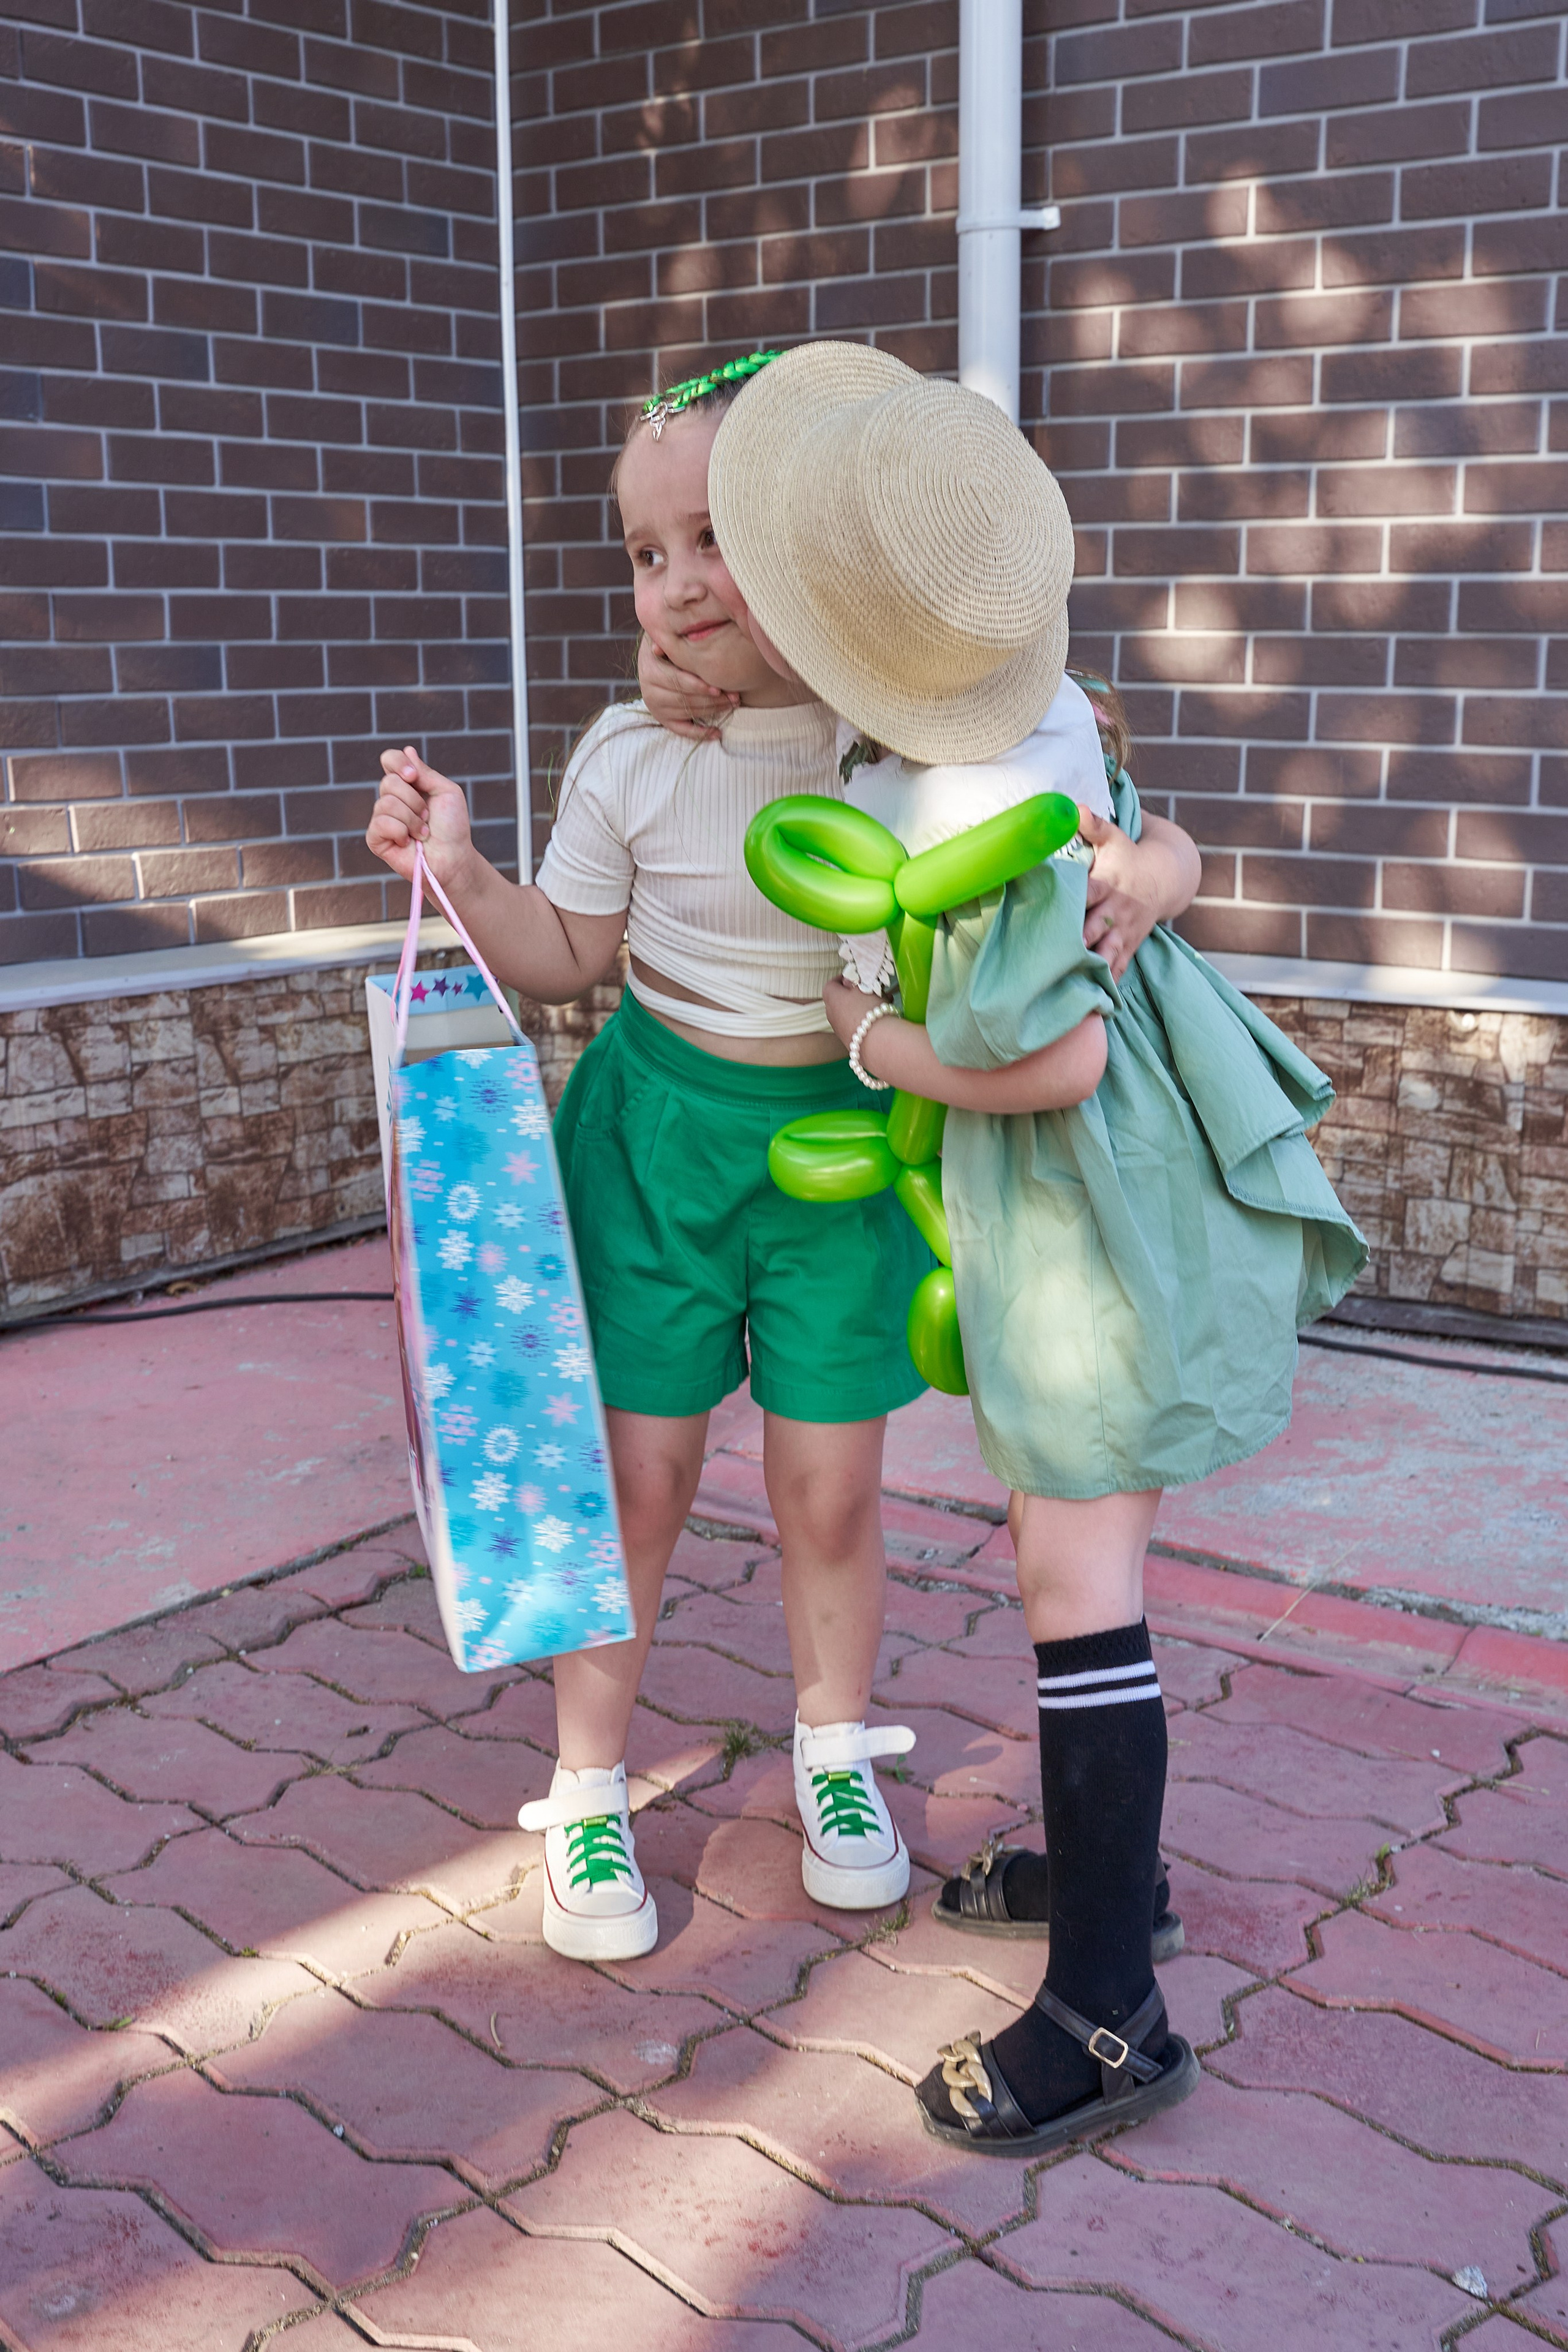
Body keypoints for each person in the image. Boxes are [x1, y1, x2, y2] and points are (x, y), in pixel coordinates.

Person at [364, 350, 1203, 1972]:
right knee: (643, 1481)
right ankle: (589, 1784)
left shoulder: (896, 734)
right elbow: (567, 958)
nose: (675, 585)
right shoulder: (627, 753)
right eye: (643, 552)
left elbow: (1104, 804)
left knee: (829, 1489)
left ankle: (832, 1757)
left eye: (710, 540)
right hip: (658, 1144)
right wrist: (460, 868)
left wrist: (1157, 864)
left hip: (845, 1153)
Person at [702, 341, 1368, 2155]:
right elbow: (1163, 850)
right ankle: (1107, 1880)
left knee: (1080, 1582)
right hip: (1104, 1191)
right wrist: (1167, 875)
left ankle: (1109, 2011)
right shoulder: (1042, 719)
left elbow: (1052, 1056)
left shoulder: (948, 809)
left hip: (1082, 1206)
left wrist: (866, 1039)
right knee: (1065, 1550)